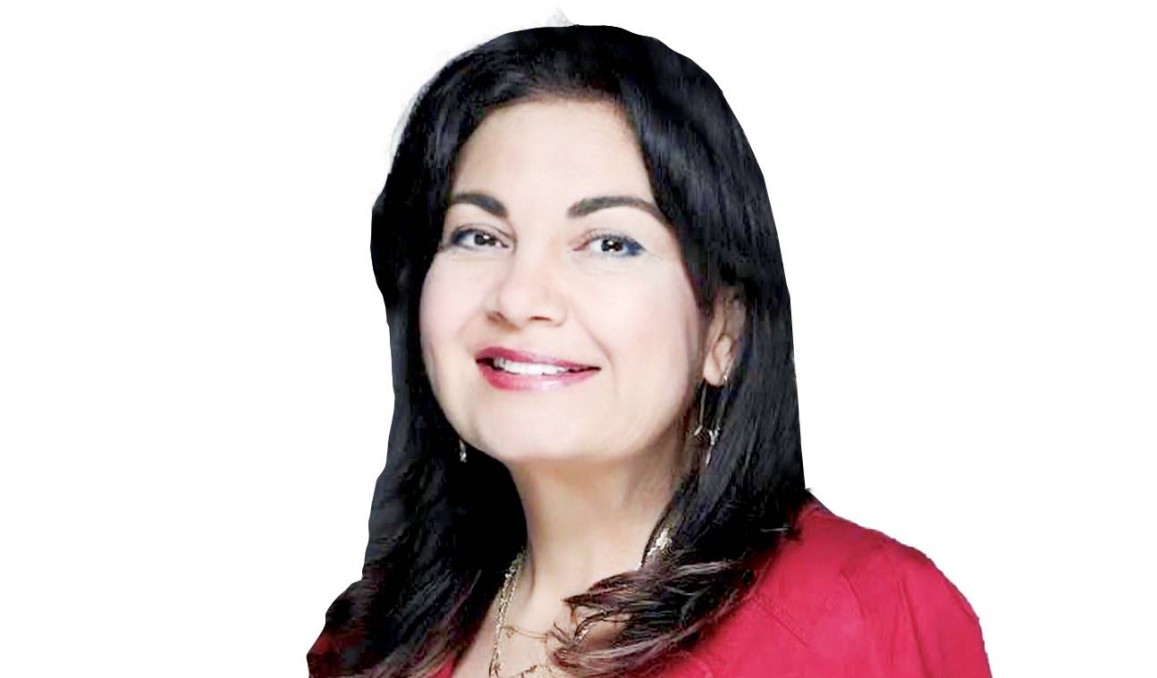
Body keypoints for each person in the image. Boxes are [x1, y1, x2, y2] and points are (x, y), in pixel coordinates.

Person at [308, 23, 991, 678]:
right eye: (479, 236)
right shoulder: (369, 642)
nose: (518, 298)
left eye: (610, 243)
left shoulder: (866, 614)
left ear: (724, 330)